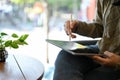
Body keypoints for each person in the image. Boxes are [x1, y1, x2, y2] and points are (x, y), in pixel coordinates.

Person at [53, 0, 120, 80]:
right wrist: (77, 26)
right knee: (65, 56)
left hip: (116, 59)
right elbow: (100, 28)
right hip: (103, 50)